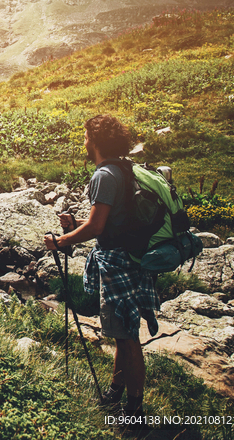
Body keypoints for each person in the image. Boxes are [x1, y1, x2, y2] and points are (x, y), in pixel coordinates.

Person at [43, 114, 158, 418]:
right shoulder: (124, 168)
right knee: (123, 332)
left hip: (118, 263)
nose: (83, 142)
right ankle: (116, 392)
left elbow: (96, 229)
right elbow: (109, 223)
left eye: (85, 137)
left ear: (95, 141)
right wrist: (78, 224)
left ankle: (133, 412)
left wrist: (61, 241)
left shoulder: (104, 175)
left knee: (129, 338)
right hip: (132, 257)